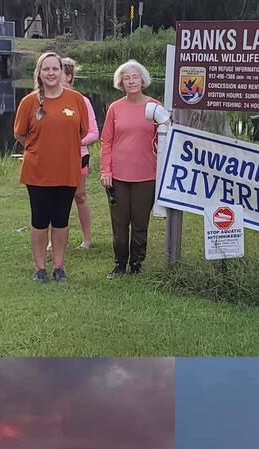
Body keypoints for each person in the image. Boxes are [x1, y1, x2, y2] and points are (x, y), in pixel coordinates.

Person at [13, 50, 88, 283]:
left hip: (67, 170)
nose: (51, 73)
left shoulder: (76, 100)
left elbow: (82, 131)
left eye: (55, 68)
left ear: (62, 72)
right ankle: (40, 268)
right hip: (37, 171)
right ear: (39, 73)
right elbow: (19, 134)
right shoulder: (29, 102)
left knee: (61, 219)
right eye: (46, 69)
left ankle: (58, 266)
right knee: (39, 219)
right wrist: (38, 149)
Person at [99, 59, 161, 280]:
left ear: (143, 80)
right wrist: (106, 171)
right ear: (121, 83)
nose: (131, 81)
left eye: (135, 77)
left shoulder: (155, 107)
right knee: (119, 222)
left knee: (140, 222)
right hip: (118, 176)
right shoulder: (115, 108)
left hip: (146, 175)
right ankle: (119, 264)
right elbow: (106, 141)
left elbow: (165, 139)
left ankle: (137, 263)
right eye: (127, 78)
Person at [61, 57, 98, 249]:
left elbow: (93, 132)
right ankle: (54, 240)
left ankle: (87, 239)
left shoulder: (82, 101)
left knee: (80, 196)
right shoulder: (43, 99)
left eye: (59, 72)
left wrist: (74, 142)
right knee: (54, 197)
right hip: (53, 158)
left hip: (78, 156)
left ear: (68, 76)